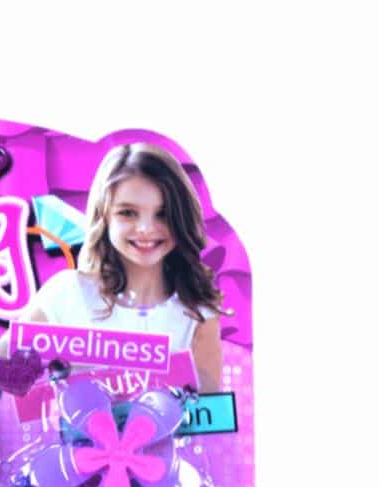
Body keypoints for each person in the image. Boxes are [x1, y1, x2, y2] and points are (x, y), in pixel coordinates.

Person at [16, 143, 224, 392]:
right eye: (128, 213)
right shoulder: (66, 293)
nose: (145, 228)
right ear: (104, 216)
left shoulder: (196, 313)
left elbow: (212, 408)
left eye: (163, 214)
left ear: (181, 218)